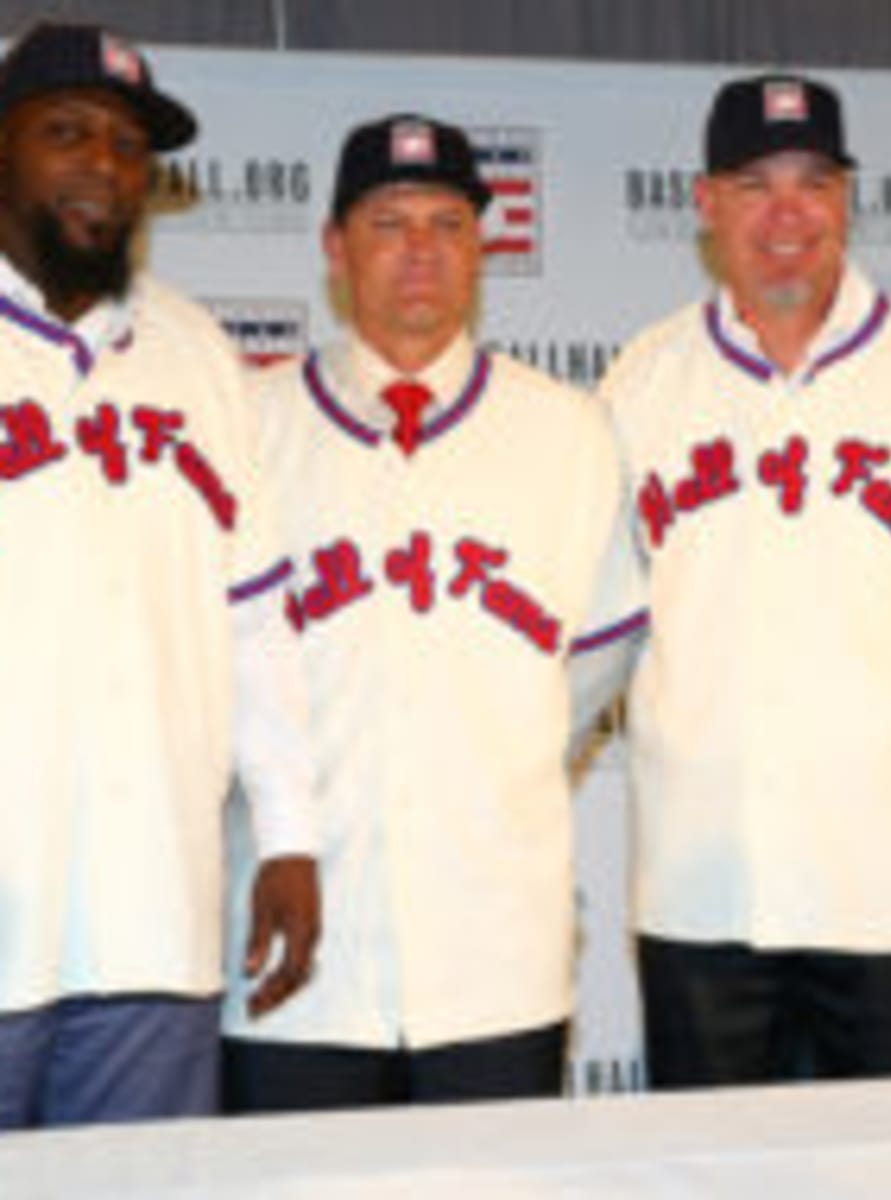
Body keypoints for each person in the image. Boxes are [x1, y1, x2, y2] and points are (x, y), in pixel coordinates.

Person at [600, 72, 891, 1088]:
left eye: (814, 181)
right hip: (701, 881)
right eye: (755, 184)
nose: (788, 213)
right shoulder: (644, 380)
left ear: (849, 197)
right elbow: (605, 619)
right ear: (706, 203)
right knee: (708, 1174)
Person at [220, 112, 641, 1111]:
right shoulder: (250, 423)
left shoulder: (568, 431)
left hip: (495, 952)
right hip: (294, 956)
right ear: (335, 246)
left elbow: (593, 670)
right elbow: (215, 670)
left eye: (447, 224)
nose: (420, 252)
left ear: (480, 245)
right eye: (388, 222)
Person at [0, 22, 319, 1130]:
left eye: (132, 146)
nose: (104, 167)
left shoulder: (201, 359)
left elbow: (256, 616)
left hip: (151, 917)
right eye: (67, 133)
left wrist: (287, 833)